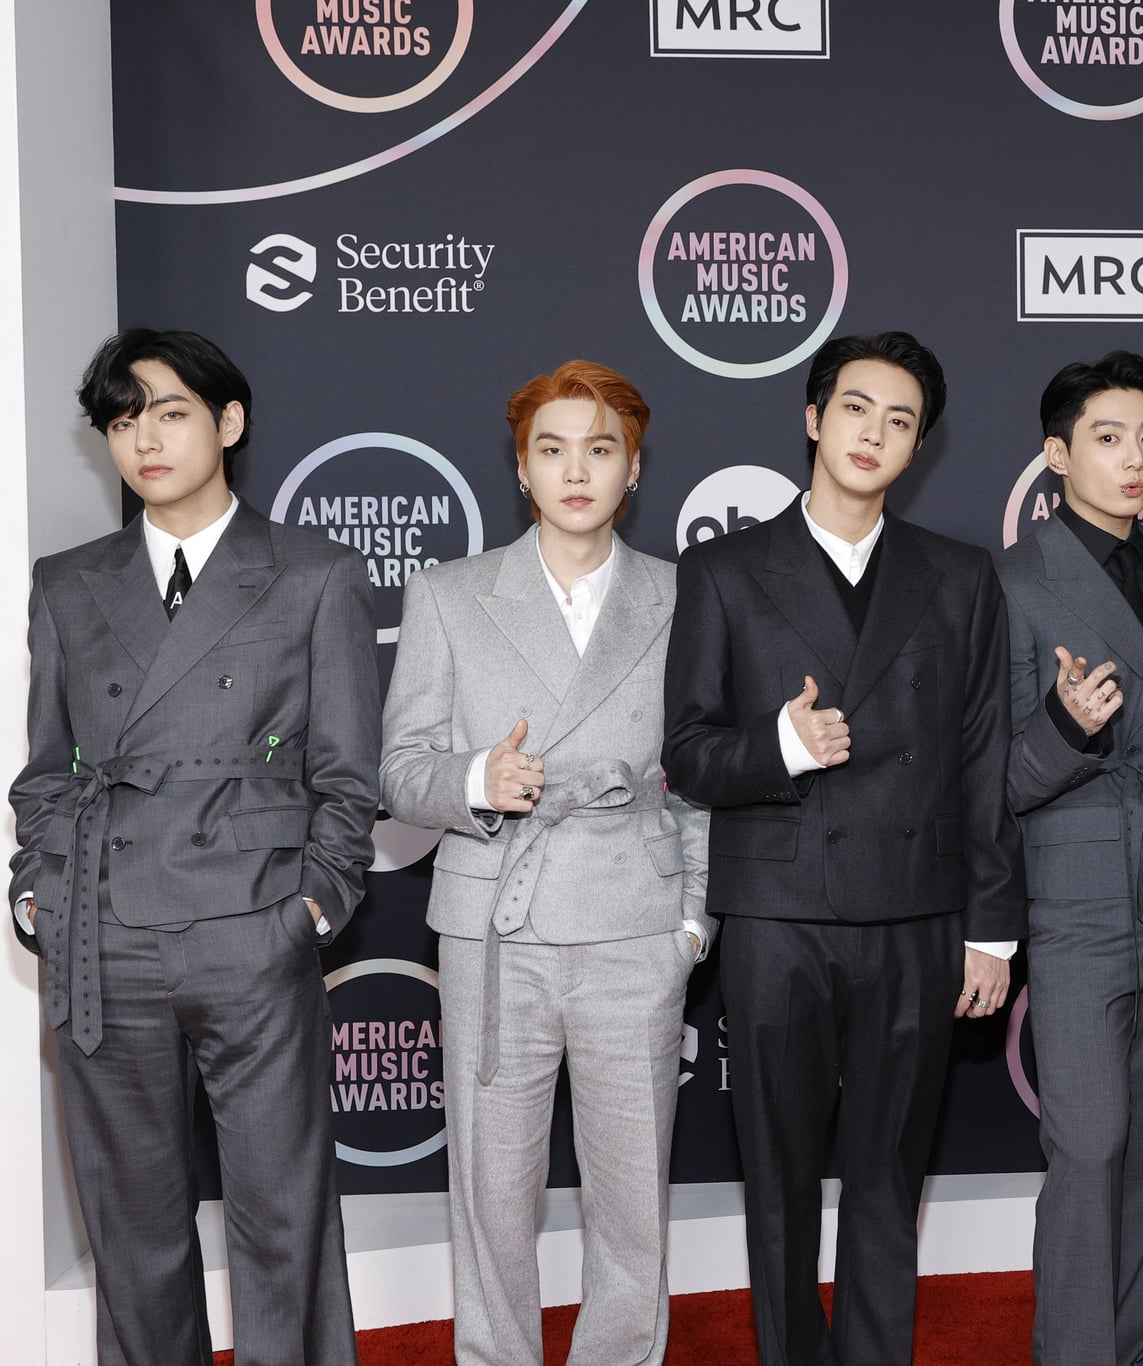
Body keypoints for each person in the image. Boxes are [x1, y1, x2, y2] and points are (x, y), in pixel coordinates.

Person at [9, 328, 378, 1364]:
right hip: (103, 935)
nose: (145, 441)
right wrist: (40, 887)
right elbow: (46, 768)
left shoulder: (315, 573)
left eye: (168, 413)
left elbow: (349, 776)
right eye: (123, 421)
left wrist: (307, 908)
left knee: (282, 1219)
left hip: (250, 929)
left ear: (227, 421)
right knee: (132, 1228)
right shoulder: (70, 580)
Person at [662, 330, 1025, 1366]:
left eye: (900, 420)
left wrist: (991, 933)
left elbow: (981, 757)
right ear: (814, 418)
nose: (875, 432)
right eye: (857, 408)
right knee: (775, 1181)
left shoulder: (958, 576)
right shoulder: (724, 570)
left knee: (886, 1177)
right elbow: (686, 754)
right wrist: (780, 742)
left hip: (916, 914)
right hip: (778, 913)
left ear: (919, 447)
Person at [380, 360, 712, 1365]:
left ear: (634, 467)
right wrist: (480, 775)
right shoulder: (446, 594)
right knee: (490, 1191)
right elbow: (398, 773)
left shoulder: (685, 596)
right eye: (552, 449)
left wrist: (692, 919)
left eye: (600, 448)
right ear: (521, 470)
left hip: (634, 924)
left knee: (631, 1198)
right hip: (493, 927)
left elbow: (701, 774)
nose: (577, 469)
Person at [997, 352, 1143, 1365]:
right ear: (1055, 455)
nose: (1133, 459)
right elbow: (983, 779)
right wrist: (1060, 727)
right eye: (1105, 437)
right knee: (1086, 1147)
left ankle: (1137, 1347)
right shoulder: (1005, 581)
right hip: (1077, 898)